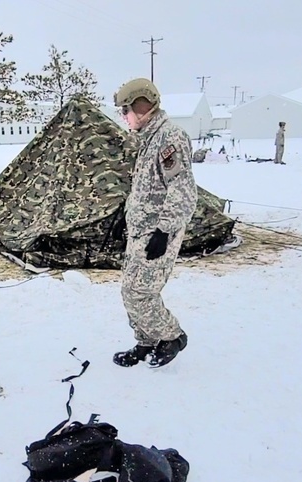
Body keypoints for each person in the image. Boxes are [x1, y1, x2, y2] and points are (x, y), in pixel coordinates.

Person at [111, 77, 197, 368]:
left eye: (126, 110)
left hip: (158, 232)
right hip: (140, 229)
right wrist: (124, 219)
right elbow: (147, 188)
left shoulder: (169, 137)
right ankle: (146, 341)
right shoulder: (149, 138)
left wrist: (164, 231)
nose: (124, 117)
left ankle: (171, 337)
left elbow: (182, 189)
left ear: (141, 105)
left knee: (141, 292)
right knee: (129, 290)